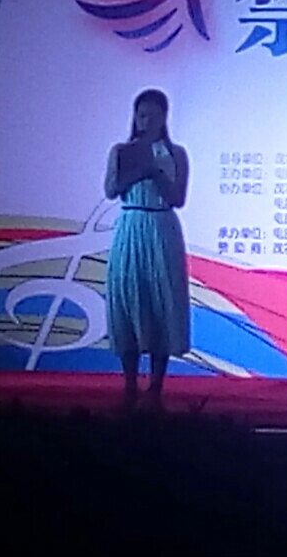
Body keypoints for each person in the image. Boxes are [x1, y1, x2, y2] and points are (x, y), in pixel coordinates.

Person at [103, 89, 191, 411]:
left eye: (153, 116)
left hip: (162, 228)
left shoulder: (176, 153)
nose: (146, 121)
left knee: (161, 301)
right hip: (131, 226)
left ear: (164, 118)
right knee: (128, 299)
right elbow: (111, 190)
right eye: (141, 115)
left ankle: (155, 387)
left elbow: (178, 198)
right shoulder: (121, 151)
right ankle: (129, 384)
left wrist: (155, 170)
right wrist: (137, 168)